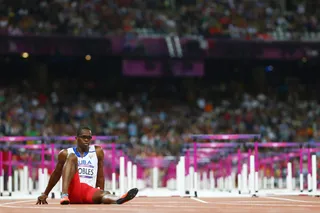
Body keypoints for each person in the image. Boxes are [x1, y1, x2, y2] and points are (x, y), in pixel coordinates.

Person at [36, 126, 138, 205]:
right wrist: (45, 193)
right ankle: (64, 195)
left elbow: (100, 174)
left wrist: (100, 189)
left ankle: (119, 199)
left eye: (89, 138)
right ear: (76, 138)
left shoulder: (97, 151)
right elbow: (56, 174)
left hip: (88, 191)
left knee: (104, 194)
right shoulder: (66, 153)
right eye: (83, 137)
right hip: (72, 192)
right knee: (72, 157)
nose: (86, 140)